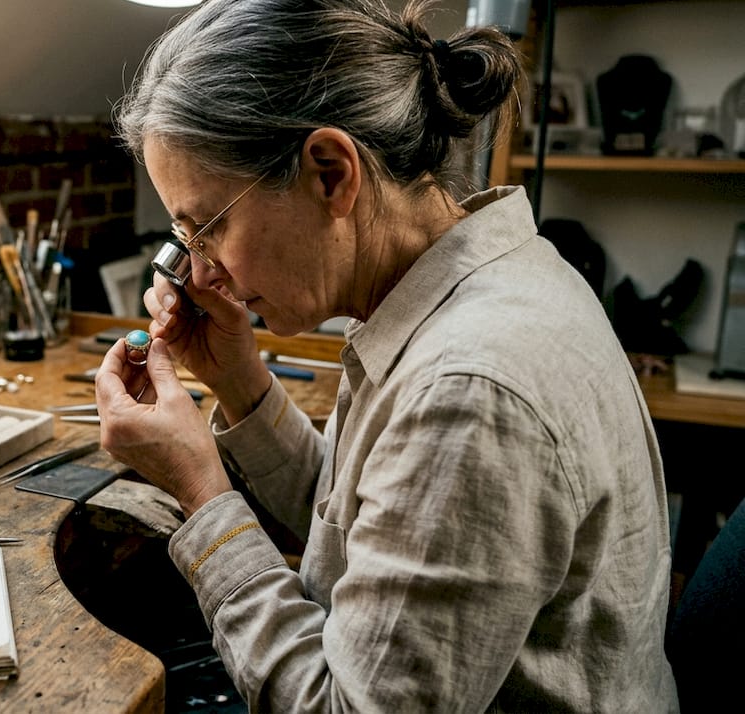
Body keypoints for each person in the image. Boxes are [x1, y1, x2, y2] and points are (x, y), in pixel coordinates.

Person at [93, 0, 679, 711]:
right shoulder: (454, 288)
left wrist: (200, 491)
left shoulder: (468, 388)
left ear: (331, 172)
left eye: (206, 228)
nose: (203, 272)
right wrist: (239, 379)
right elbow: (355, 531)